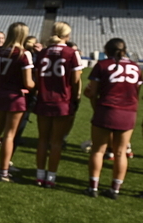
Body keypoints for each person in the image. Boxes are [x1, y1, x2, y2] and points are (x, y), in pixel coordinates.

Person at [83, 38, 141, 199]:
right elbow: (137, 92)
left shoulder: (102, 65)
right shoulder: (136, 67)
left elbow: (92, 92)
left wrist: (90, 97)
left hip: (106, 110)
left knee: (98, 150)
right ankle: (115, 190)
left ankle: (93, 187)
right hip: (128, 112)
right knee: (121, 153)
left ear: (106, 50)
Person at [0, 22, 35, 182]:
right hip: (15, 97)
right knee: (9, 135)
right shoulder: (23, 54)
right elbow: (28, 83)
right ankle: (3, 171)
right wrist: (36, 85)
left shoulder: (0, 52)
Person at [33, 23, 83, 188]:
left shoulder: (42, 53)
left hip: (44, 99)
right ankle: (51, 178)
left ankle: (39, 175)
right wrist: (76, 96)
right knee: (56, 142)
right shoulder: (71, 53)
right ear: (67, 36)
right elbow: (75, 80)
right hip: (62, 101)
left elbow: (36, 78)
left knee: (42, 140)